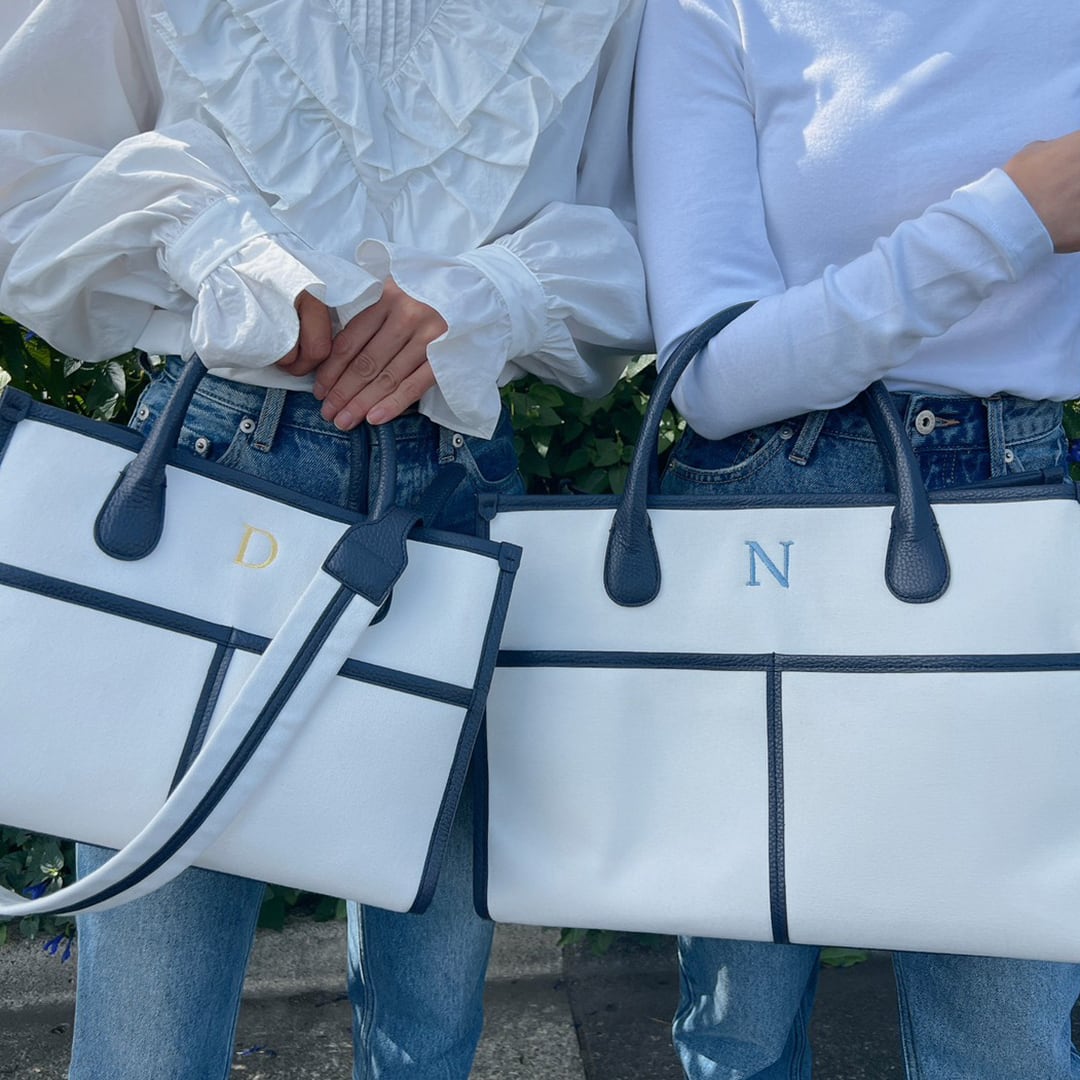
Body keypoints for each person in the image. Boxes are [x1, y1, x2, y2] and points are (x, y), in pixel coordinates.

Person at [0, 1, 650, 1077]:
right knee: (148, 1031)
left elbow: (653, 234)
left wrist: (499, 293)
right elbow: (22, 159)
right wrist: (212, 243)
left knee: (431, 1015)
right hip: (220, 458)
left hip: (455, 487)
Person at [633, 1, 1080, 1078]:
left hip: (1015, 510)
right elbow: (712, 374)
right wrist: (1010, 217)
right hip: (768, 522)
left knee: (1007, 1036)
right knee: (740, 1031)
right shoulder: (717, 10)